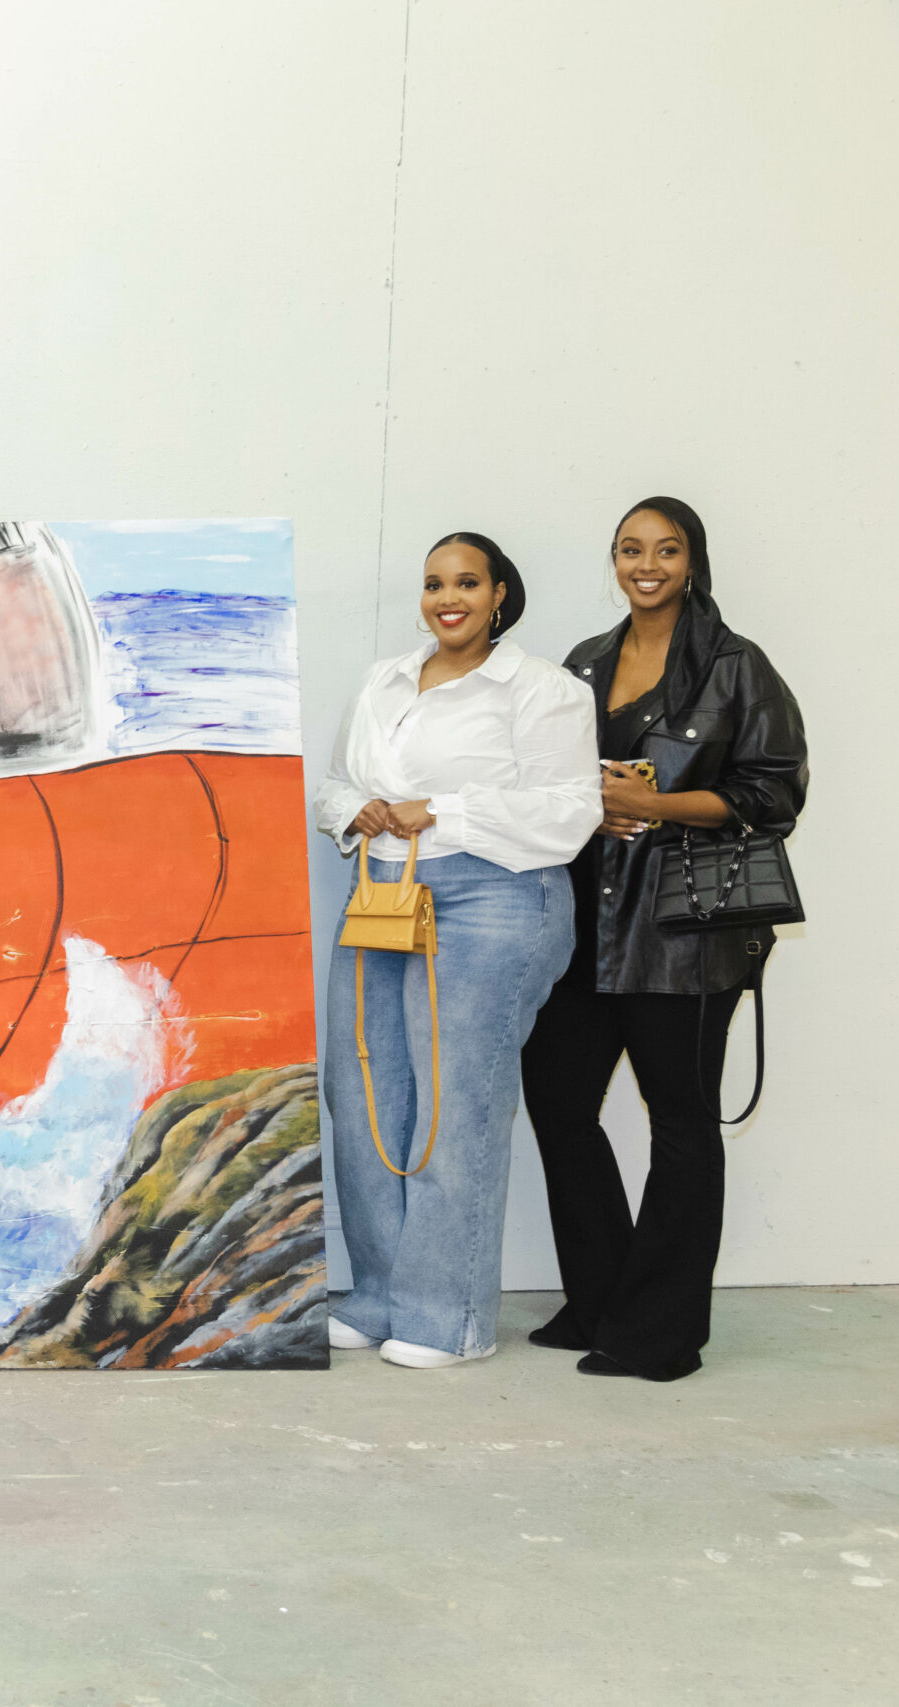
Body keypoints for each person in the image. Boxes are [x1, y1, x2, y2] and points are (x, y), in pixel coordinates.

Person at [519, 498, 807, 1381]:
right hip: (586, 923)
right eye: (631, 549)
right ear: (614, 560)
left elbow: (774, 794)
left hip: (682, 933)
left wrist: (655, 805)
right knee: (560, 1100)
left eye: (666, 549)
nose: (647, 564)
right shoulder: (584, 662)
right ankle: (603, 1298)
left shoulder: (735, 666)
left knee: (682, 1124)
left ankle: (660, 1334)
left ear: (693, 560)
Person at [312, 533, 598, 1369]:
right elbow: (336, 784)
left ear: (500, 593)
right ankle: (378, 1295)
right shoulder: (383, 682)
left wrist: (440, 811)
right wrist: (356, 811)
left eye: (467, 581)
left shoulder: (541, 689)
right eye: (435, 582)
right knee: (362, 1097)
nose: (449, 596)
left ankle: (449, 1317)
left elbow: (571, 811)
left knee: (453, 1104)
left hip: (494, 896)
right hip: (383, 892)